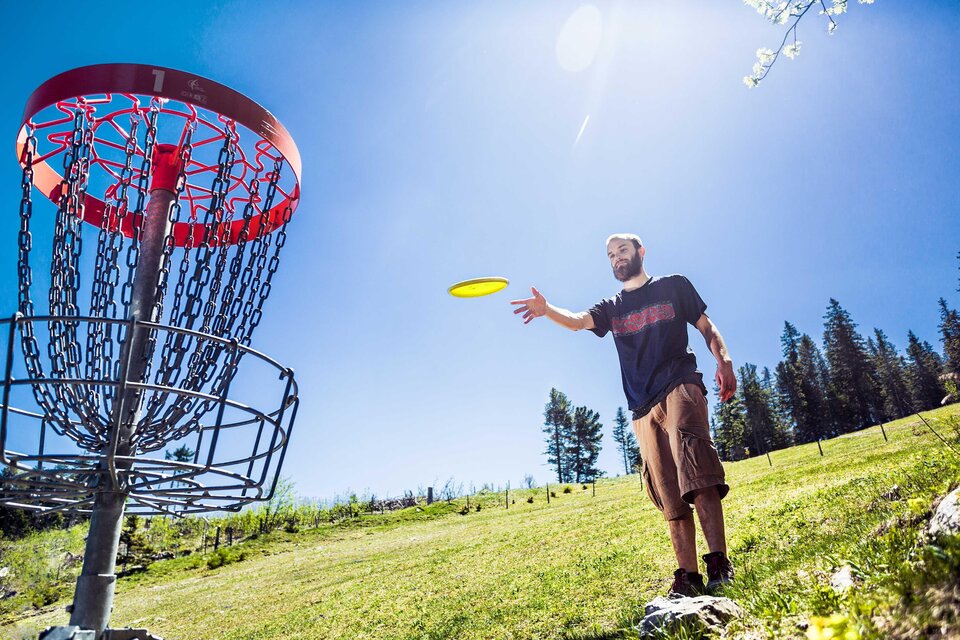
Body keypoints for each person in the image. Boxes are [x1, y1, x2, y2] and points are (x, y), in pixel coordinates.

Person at [510, 233, 736, 597]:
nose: (617, 258)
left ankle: (719, 564)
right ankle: (688, 577)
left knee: (699, 473)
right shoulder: (611, 307)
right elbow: (578, 321)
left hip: (680, 383)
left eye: (623, 251)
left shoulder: (673, 285)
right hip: (642, 408)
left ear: (641, 252)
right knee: (668, 493)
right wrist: (547, 309)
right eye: (611, 255)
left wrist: (723, 359)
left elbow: (706, 326)